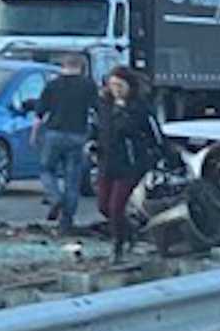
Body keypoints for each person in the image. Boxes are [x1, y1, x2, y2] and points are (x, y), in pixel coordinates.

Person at [96, 66, 162, 260]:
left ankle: (118, 246)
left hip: (130, 163)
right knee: (104, 206)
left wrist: (156, 155)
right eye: (113, 85)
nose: (116, 89)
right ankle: (130, 231)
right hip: (107, 161)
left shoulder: (139, 107)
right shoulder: (105, 104)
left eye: (120, 85)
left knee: (116, 206)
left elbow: (153, 134)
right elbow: (100, 129)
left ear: (129, 86)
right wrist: (93, 144)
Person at [33, 54, 98, 234]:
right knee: (73, 178)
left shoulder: (53, 85)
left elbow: (39, 113)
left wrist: (35, 134)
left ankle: (55, 197)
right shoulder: (88, 85)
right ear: (81, 67)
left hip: (54, 133)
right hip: (78, 135)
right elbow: (97, 109)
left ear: (64, 65)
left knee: (46, 169)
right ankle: (66, 221)